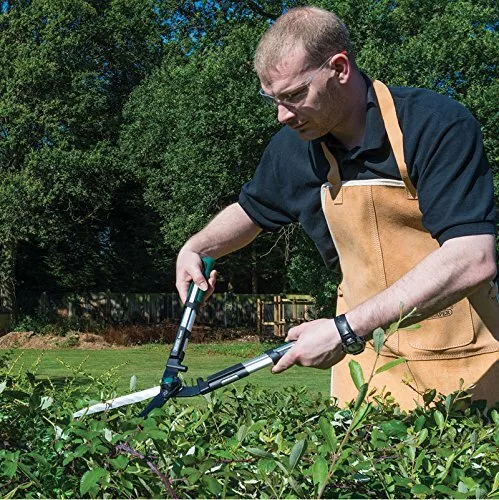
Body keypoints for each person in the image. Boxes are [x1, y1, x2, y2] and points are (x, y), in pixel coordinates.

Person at [176, 6, 498, 409]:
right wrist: (199, 247)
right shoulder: (293, 149)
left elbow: (472, 257)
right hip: (364, 372)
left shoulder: (435, 125)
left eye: (294, 96)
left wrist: (345, 331)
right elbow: (251, 210)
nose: (281, 115)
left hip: (460, 366)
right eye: (272, 99)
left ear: (340, 68)